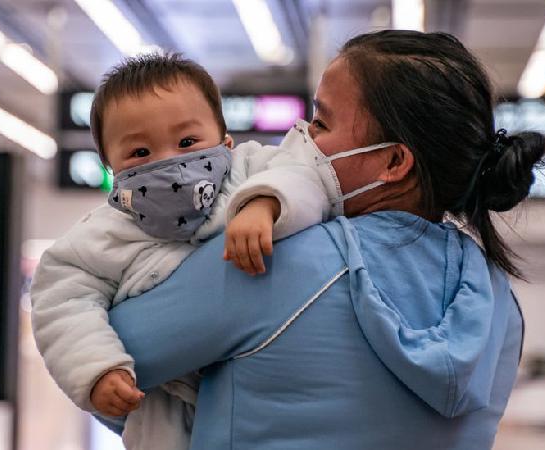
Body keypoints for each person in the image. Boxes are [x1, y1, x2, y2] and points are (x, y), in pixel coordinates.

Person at [101, 30, 545, 449]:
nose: (301, 139)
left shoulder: (276, 259)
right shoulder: (499, 299)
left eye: (320, 123)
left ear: (393, 161)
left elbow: (104, 363)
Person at [30, 53, 330, 450]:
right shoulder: (102, 234)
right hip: (166, 415)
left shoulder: (251, 170)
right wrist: (96, 369)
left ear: (226, 142)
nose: (170, 162)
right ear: (112, 170)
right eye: (140, 153)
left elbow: (306, 176)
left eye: (188, 142)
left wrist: (265, 203)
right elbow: (60, 301)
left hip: (270, 389)